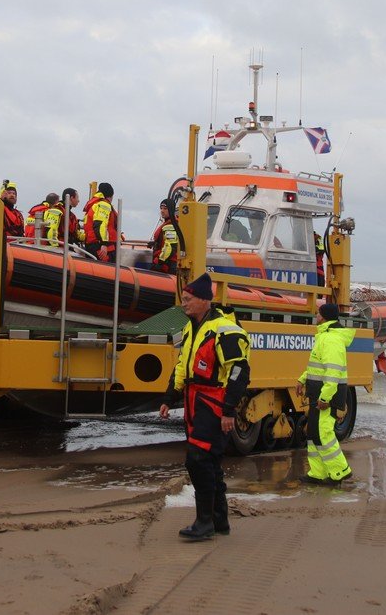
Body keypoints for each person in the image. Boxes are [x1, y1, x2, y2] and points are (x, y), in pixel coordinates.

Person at [159, 273, 251, 540]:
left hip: (213, 402)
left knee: (198, 460)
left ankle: (205, 522)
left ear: (203, 300)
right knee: (209, 462)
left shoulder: (225, 330)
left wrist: (229, 410)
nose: (183, 304)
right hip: (194, 399)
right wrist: (168, 398)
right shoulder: (191, 328)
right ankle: (219, 521)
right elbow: (182, 366)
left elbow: (239, 372)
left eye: (187, 300)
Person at [296, 303, 355, 486]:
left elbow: (333, 372)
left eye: (318, 313)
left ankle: (340, 470)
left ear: (324, 316)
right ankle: (318, 473)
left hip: (327, 396)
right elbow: (318, 365)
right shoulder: (324, 336)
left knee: (324, 433)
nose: (316, 316)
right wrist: (302, 379)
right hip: (318, 392)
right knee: (313, 433)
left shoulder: (331, 339)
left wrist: (325, 398)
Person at [83, 182, 118, 262]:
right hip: (100, 246)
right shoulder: (103, 205)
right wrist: (104, 244)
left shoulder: (96, 204)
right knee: (108, 271)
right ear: (111, 195)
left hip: (93, 244)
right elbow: (99, 224)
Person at [150, 198, 180, 274]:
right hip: (165, 262)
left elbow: (170, 246)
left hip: (167, 265)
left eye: (165, 209)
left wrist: (160, 262)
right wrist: (154, 243)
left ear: (171, 209)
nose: (162, 211)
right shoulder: (168, 223)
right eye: (161, 208)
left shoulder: (171, 225)